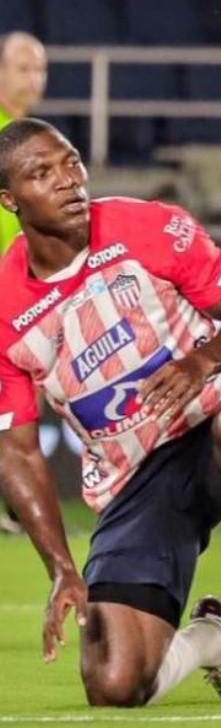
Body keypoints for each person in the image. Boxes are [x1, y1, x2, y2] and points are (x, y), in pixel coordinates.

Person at [0, 118, 221, 708]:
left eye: (71, 162)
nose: (69, 181)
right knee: (114, 686)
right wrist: (62, 570)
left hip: (213, 435)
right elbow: (15, 450)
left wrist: (202, 362)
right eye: (42, 174)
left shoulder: (149, 227)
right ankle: (212, 642)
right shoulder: (4, 306)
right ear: (9, 200)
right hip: (134, 484)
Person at [0, 32, 48, 535]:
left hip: (21, 299)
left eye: (38, 69)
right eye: (21, 67)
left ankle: (19, 505)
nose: (32, 79)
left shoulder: (31, 137)